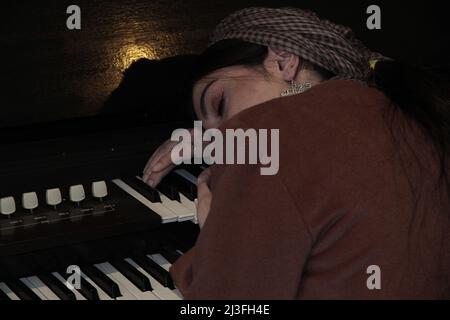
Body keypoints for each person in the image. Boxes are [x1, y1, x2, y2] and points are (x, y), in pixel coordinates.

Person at [142, 7, 450, 299]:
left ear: (283, 60)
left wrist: (215, 241)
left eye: (219, 104)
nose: (224, 137)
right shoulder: (408, 108)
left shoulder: (264, 132)